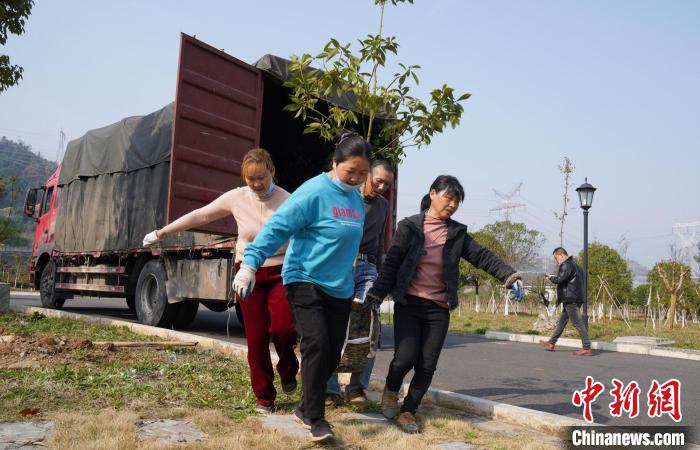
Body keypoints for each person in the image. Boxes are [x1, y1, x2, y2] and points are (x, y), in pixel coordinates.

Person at [232, 134, 371, 443]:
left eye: (363, 173)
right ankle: (315, 417)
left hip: (339, 287)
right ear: (335, 163)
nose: (358, 179)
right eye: (351, 172)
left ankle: (303, 407)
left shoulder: (356, 200)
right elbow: (277, 227)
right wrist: (251, 263)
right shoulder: (313, 192)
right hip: (304, 278)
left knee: (332, 354)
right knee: (316, 344)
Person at [142, 148, 298, 414]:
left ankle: (288, 368)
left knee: (284, 328)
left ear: (271, 171)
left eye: (261, 177)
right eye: (251, 179)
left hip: (280, 270)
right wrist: (162, 232)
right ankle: (265, 396)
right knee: (257, 337)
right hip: (247, 272)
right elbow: (201, 215)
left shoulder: (289, 200)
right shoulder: (237, 197)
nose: (257, 184)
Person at [366, 175, 524, 434]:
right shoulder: (409, 227)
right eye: (448, 197)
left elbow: (482, 256)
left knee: (427, 364)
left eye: (457, 201)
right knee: (404, 358)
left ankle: (408, 411)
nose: (452, 204)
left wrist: (509, 275)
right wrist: (376, 294)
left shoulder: (457, 233)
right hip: (409, 303)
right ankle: (391, 391)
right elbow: (392, 262)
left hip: (438, 308)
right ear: (432, 194)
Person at [325, 159, 394, 408]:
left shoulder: (384, 206)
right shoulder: (346, 197)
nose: (382, 186)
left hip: (368, 269)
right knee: (332, 328)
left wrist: (381, 277)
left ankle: (356, 389)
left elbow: (380, 244)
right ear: (366, 176)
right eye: (378, 180)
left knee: (369, 332)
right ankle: (330, 390)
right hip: (340, 266)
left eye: (387, 183)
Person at [539, 247, 592, 356]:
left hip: (570, 298)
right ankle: (551, 343)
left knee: (578, 323)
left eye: (555, 258)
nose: (556, 260)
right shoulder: (577, 266)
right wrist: (555, 277)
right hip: (576, 297)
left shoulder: (566, 265)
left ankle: (587, 347)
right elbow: (566, 278)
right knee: (561, 322)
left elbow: (560, 279)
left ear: (561, 255)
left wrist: (550, 278)